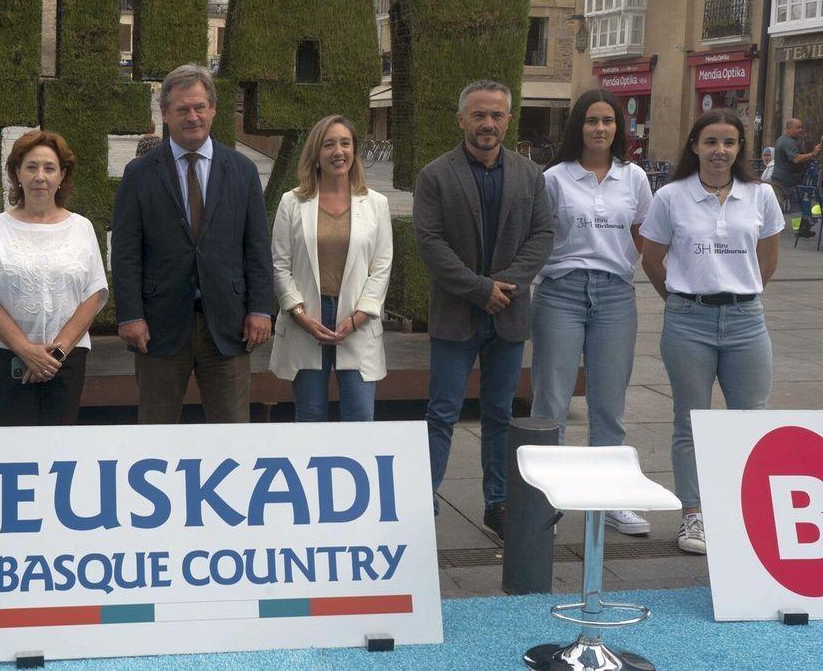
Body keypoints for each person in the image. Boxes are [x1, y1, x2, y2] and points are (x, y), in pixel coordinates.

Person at [413, 79, 553, 542]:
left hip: (509, 316)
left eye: (496, 115)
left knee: (498, 414)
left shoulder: (530, 175)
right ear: (461, 120)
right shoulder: (435, 175)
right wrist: (480, 289)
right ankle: (422, 504)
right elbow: (430, 243)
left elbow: (542, 236)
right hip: (457, 314)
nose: (487, 123)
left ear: (508, 120)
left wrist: (505, 287)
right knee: (442, 412)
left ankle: (498, 504)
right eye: (478, 115)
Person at [640, 108, 781, 555]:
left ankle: (744, 512)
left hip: (746, 322)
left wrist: (741, 293)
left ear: (741, 149)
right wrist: (682, 301)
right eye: (711, 142)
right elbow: (651, 258)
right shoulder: (670, 197)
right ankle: (694, 516)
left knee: (750, 420)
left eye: (729, 143)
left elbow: (768, 259)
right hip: (688, 321)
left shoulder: (760, 196)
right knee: (690, 420)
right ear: (695, 146)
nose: (719, 151)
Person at [111, 64, 274, 424]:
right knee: (156, 431)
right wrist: (130, 314)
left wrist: (262, 308)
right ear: (165, 114)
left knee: (232, 433)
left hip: (229, 326)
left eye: (200, 107)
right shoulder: (139, 174)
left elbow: (257, 247)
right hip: (158, 327)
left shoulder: (243, 170)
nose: (192, 116)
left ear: (214, 109)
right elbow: (125, 252)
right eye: (182, 109)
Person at [529, 89, 653, 535]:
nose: (599, 129)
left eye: (607, 121)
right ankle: (548, 500)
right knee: (552, 401)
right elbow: (540, 235)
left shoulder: (634, 177)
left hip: (615, 294)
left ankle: (609, 498)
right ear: (577, 126)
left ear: (618, 128)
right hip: (561, 291)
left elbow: (642, 231)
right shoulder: (555, 178)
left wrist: (618, 264)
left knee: (608, 404)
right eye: (591, 121)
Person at [0, 130, 107, 425]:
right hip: (10, 359)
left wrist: (55, 353)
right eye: (31, 167)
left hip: (67, 360)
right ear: (17, 173)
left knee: (60, 451)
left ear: (62, 175)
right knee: (15, 452)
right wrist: (25, 351)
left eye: (49, 168)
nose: (40, 176)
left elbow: (93, 296)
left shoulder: (81, 228)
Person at [269, 115, 393, 421]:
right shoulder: (292, 202)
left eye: (345, 143)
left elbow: (382, 266)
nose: (339, 151)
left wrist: (360, 316)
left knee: (360, 419)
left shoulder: (376, 204)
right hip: (307, 320)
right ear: (316, 154)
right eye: (329, 144)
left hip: (357, 321)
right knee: (310, 418)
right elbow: (280, 266)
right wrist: (299, 315)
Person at [771, 117, 821, 238]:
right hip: (784, 181)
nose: (801, 130)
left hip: (789, 179)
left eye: (801, 127)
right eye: (798, 127)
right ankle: (770, 228)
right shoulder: (786, 142)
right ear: (789, 128)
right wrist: (812, 154)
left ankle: (800, 229)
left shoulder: (790, 140)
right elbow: (796, 159)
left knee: (796, 206)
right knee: (778, 205)